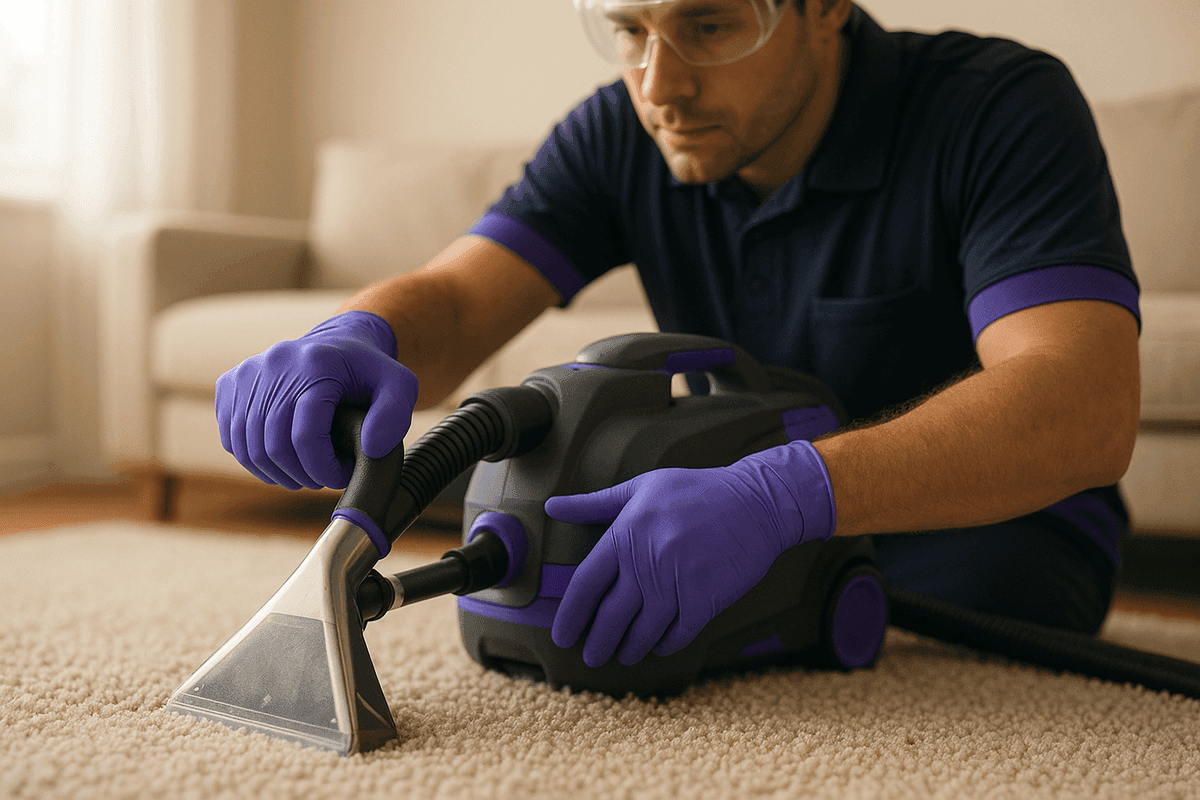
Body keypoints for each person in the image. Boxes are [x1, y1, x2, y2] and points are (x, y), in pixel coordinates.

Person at [216, 0, 1141, 670]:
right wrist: (360, 332)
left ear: (824, 9)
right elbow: (459, 301)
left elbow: (1084, 404)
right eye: (630, 29)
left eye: (708, 24)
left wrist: (783, 497)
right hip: (710, 519)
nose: (659, 85)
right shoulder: (620, 132)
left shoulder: (997, 109)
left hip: (980, 537)